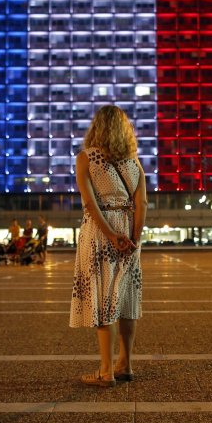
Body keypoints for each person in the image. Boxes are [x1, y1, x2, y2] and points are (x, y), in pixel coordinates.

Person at [70, 105, 147, 387]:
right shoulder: (133, 161)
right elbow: (142, 203)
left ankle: (106, 371)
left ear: (96, 127)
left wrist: (112, 235)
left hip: (101, 231)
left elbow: (90, 203)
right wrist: (133, 237)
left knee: (104, 299)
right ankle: (125, 363)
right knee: (126, 300)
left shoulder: (85, 159)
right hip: (129, 228)